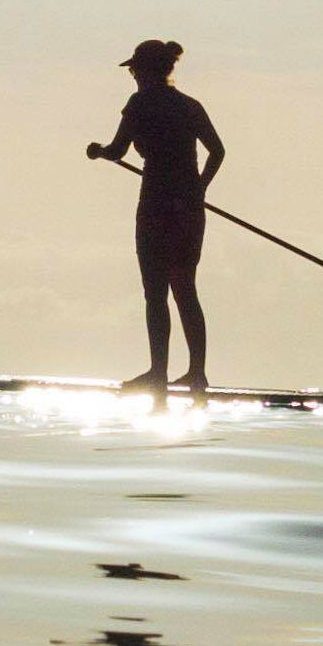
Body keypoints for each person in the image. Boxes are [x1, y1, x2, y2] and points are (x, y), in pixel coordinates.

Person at [86, 39, 224, 394]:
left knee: (155, 293)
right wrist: (199, 189)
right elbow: (217, 151)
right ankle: (196, 373)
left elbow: (118, 151)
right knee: (185, 290)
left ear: (146, 71)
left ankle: (158, 372)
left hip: (157, 205)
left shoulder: (140, 103)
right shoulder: (190, 105)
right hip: (189, 208)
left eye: (134, 70)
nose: (132, 76)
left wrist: (99, 152)